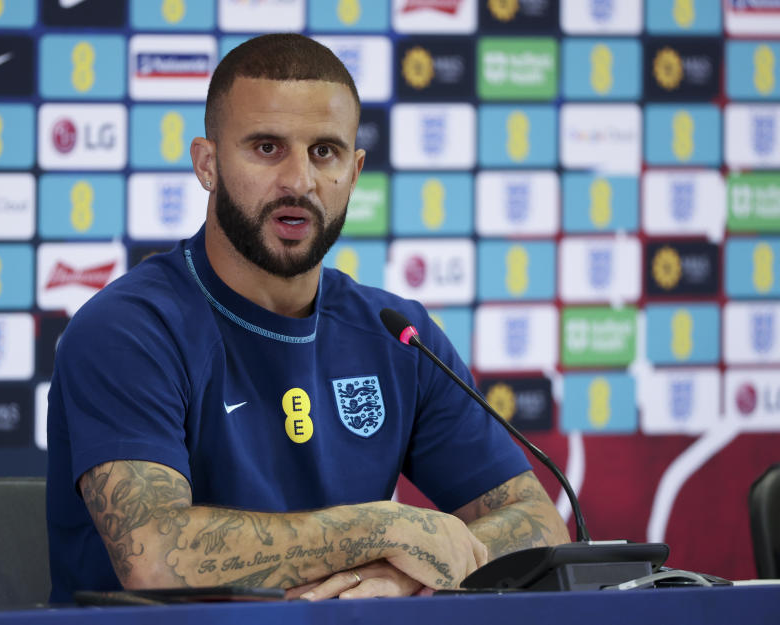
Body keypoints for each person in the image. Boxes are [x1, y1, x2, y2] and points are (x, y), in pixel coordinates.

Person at [46, 33, 569, 604]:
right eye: (267, 148)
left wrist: (400, 575)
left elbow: (538, 523)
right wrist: (383, 529)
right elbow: (157, 556)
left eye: (325, 152)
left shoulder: (398, 334)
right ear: (207, 164)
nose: (299, 181)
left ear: (355, 169)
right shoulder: (128, 330)